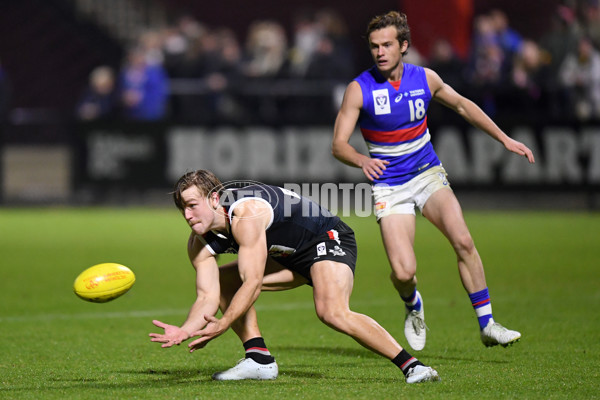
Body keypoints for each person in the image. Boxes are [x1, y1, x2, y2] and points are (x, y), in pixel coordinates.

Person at [332, 11, 535, 352]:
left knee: (464, 241)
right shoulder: (359, 88)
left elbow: (463, 106)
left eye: (387, 45)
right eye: (374, 46)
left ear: (404, 46)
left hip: (427, 173)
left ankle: (487, 323)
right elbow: (338, 144)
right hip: (390, 186)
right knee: (403, 272)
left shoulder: (425, 78)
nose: (380, 52)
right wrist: (362, 159)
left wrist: (504, 139)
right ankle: (413, 305)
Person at [149, 169, 440, 384]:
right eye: (182, 208)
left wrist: (224, 323)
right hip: (284, 254)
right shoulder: (198, 243)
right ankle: (259, 359)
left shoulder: (245, 214)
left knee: (332, 312)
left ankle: (413, 366)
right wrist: (186, 330)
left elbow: (252, 282)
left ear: (214, 199)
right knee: (226, 282)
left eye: (191, 205)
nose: (187, 215)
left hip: (325, 239)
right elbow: (207, 295)